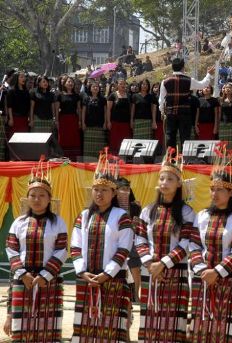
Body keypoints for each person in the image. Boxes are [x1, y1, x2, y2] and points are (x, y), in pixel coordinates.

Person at [189, 145, 232, 342]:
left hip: (230, 281)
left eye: (220, 190)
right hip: (204, 281)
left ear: (231, 192)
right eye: (212, 189)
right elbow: (194, 246)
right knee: (203, 330)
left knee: (228, 331)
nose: (214, 194)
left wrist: (216, 272)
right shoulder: (201, 216)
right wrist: (203, 271)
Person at [70, 150, 134, 342]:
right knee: (86, 327)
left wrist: (107, 273)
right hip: (87, 277)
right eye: (96, 189)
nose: (99, 194)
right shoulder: (83, 216)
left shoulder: (121, 216)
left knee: (111, 325)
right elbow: (75, 246)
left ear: (114, 193)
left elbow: (124, 248)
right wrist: (82, 272)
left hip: (112, 279)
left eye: (104, 190)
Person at [134, 149, 195, 342]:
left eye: (169, 179)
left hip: (175, 271)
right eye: (161, 179)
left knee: (173, 321)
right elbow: (140, 238)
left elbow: (186, 242)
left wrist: (163, 263)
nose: (164, 183)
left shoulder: (186, 212)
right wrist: (151, 263)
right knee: (150, 319)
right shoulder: (147, 211)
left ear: (178, 184)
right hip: (150, 270)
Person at [5, 159, 67, 341]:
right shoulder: (19, 222)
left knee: (46, 331)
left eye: (41, 195)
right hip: (22, 280)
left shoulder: (58, 222)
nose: (37, 199)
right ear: (27, 197)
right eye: (33, 195)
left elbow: (62, 250)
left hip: (48, 281)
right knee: (21, 329)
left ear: (49, 198)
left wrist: (45, 276)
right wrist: (23, 274)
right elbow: (11, 249)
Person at [158, 58, 215, 149]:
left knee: (170, 136)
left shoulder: (165, 81)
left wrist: (162, 111)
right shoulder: (188, 80)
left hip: (170, 113)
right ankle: (185, 160)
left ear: (172, 67)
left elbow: (161, 100)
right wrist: (208, 74)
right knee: (185, 137)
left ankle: (170, 159)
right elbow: (202, 85)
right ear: (183, 67)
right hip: (184, 113)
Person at [115, 177, 142, 302]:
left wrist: (136, 223)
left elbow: (139, 223)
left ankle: (135, 295)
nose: (125, 192)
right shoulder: (112, 206)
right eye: (121, 189)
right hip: (117, 241)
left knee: (135, 268)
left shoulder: (135, 206)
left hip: (132, 239)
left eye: (127, 189)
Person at [55, 77, 82, 160]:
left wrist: (80, 120)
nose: (71, 83)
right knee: (63, 138)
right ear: (64, 84)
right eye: (69, 82)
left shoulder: (77, 95)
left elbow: (79, 109)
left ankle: (73, 159)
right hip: (63, 119)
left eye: (72, 82)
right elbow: (57, 109)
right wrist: (56, 120)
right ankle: (63, 158)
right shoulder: (59, 95)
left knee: (74, 138)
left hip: (74, 119)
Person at [106, 79, 132, 155]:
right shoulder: (112, 95)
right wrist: (108, 122)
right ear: (117, 85)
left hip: (125, 123)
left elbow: (130, 109)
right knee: (115, 141)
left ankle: (125, 159)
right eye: (121, 84)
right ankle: (114, 159)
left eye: (124, 84)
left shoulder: (129, 95)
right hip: (115, 123)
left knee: (125, 141)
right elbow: (108, 110)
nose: (123, 85)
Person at [82, 81, 107, 158]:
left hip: (100, 126)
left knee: (99, 148)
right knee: (88, 148)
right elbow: (83, 111)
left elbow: (105, 112)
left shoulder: (103, 99)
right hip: (89, 126)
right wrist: (83, 123)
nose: (95, 88)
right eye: (93, 86)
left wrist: (105, 122)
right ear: (90, 88)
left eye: (97, 86)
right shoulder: (86, 98)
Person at [6, 71, 30, 137]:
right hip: (15, 118)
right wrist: (10, 119)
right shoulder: (11, 91)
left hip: (24, 119)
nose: (24, 78)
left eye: (24, 77)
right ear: (17, 78)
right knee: (13, 139)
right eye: (21, 77)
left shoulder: (27, 92)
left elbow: (28, 106)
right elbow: (9, 106)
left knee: (23, 139)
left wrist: (29, 118)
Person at [218, 83, 232, 151]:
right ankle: (222, 159)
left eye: (230, 88)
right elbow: (219, 113)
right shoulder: (221, 100)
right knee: (223, 144)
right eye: (226, 87)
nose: (228, 89)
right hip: (223, 124)